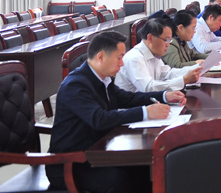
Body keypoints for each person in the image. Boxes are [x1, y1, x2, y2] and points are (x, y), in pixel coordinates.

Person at [46, 31, 186, 193]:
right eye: (119, 57)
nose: (122, 63)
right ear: (101, 57)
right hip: (71, 164)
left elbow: (128, 98)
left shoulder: (103, 78)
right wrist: (146, 112)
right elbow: (99, 119)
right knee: (123, 179)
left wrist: (164, 96)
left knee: (149, 168)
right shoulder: (75, 85)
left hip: (97, 153)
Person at [115, 19, 201, 92]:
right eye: (166, 40)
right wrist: (183, 80)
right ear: (150, 38)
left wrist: (197, 68)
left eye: (169, 40)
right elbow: (148, 88)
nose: (168, 44)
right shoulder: (135, 58)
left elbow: (167, 74)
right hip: (134, 106)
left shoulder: (154, 53)